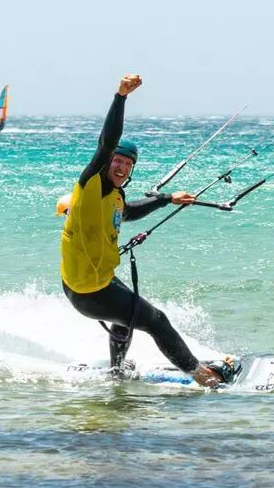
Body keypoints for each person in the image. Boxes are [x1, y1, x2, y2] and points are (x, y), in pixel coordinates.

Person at [59, 74, 235, 387]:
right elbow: (106, 142)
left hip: (86, 283)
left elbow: (128, 212)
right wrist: (121, 96)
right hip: (90, 291)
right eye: (117, 161)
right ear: (106, 163)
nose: (122, 167)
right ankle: (203, 377)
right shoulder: (92, 185)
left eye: (128, 164)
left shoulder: (114, 196)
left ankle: (117, 371)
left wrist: (167, 198)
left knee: (126, 315)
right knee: (156, 320)